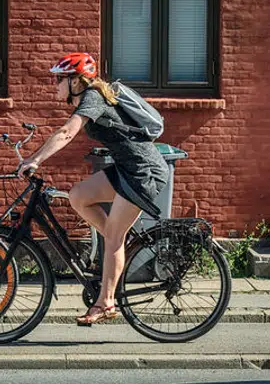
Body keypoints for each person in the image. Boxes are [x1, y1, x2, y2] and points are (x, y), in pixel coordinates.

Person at [16, 53, 169, 327]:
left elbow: (66, 133)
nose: (55, 85)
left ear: (76, 81)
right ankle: (116, 246)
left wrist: (35, 159)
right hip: (126, 168)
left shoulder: (93, 97)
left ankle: (106, 302)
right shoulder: (89, 97)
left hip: (144, 171)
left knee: (112, 236)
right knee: (79, 196)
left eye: (59, 80)